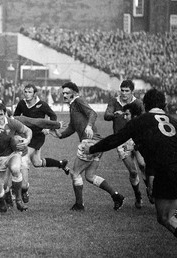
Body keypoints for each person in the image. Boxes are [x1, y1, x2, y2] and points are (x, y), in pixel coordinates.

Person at [84, 88, 177, 238]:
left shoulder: (140, 121)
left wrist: (92, 148)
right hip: (170, 169)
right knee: (170, 214)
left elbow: (115, 139)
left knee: (165, 217)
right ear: (164, 105)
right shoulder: (173, 121)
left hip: (166, 173)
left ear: (145, 105)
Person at [51, 82, 124, 211]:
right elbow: (73, 127)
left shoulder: (78, 101)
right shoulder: (73, 106)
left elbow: (93, 113)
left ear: (74, 93)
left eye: (67, 93)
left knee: (75, 173)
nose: (64, 95)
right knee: (90, 176)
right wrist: (60, 135)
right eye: (63, 93)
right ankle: (116, 196)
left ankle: (79, 204)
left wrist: (89, 126)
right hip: (98, 144)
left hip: (90, 142)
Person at [13, 84, 70, 204]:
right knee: (37, 163)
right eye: (25, 91)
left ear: (34, 94)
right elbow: (16, 117)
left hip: (38, 137)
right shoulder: (22, 104)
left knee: (24, 159)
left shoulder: (42, 104)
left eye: (29, 92)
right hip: (26, 135)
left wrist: (48, 129)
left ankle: (24, 188)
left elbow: (53, 116)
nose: (27, 94)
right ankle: (61, 164)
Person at [104, 80, 145, 208]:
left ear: (132, 91)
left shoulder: (137, 103)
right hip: (121, 140)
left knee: (143, 165)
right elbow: (106, 115)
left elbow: (145, 118)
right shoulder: (114, 101)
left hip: (137, 138)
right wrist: (113, 115)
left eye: (127, 91)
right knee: (133, 172)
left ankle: (150, 190)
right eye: (122, 90)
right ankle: (138, 195)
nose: (124, 93)